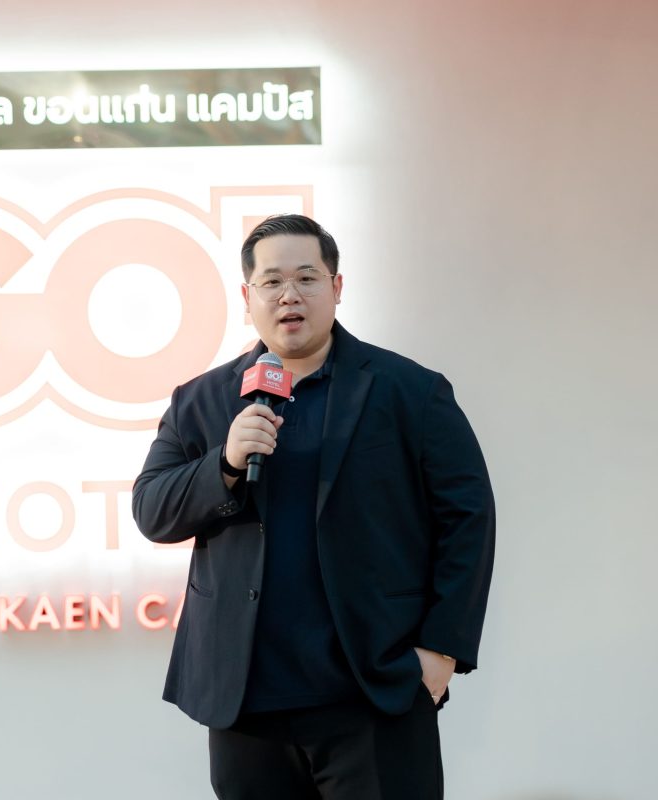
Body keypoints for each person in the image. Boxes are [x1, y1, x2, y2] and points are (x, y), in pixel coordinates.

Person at [132, 215, 495, 799]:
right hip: (246, 702)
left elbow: (467, 520)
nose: (289, 295)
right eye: (272, 282)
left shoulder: (410, 390)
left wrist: (442, 650)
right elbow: (153, 510)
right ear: (247, 297)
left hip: (372, 691)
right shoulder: (201, 400)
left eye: (307, 278)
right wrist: (225, 462)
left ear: (337, 287)